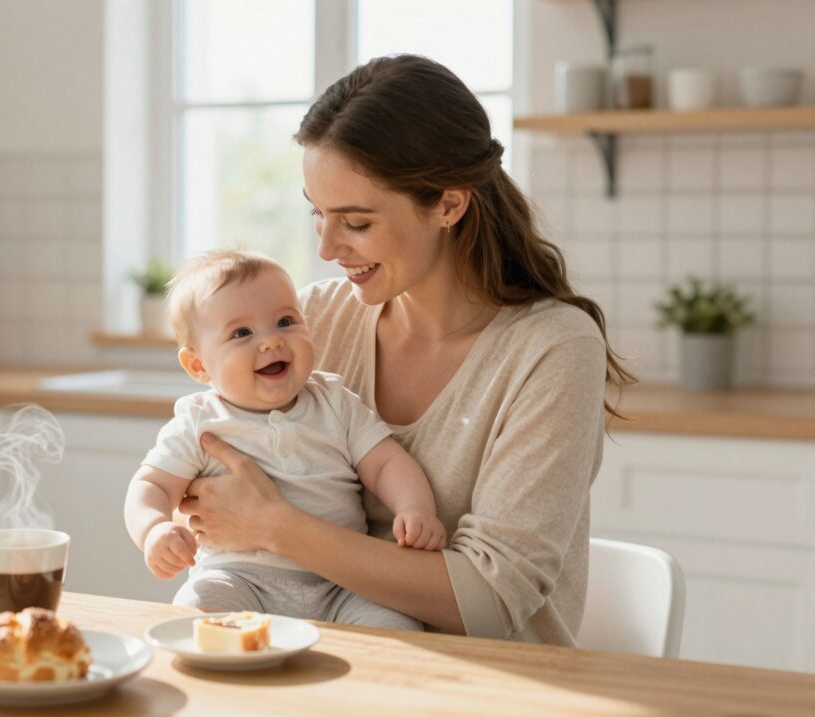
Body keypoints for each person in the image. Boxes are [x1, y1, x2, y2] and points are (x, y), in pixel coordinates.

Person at [178, 55, 636, 645]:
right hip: (325, 675)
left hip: (491, 697)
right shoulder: (313, 322)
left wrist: (275, 527)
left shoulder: (551, 349)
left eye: (357, 223)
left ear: (449, 204)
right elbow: (208, 486)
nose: (327, 248)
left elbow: (491, 601)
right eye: (318, 214)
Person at [124, 248, 446, 631]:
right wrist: (155, 530)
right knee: (196, 610)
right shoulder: (199, 420)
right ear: (198, 365)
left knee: (395, 624)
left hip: (343, 582)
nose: (270, 342)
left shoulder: (334, 400)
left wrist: (414, 508)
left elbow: (386, 462)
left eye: (285, 321)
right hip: (240, 579)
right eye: (242, 333)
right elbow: (151, 486)